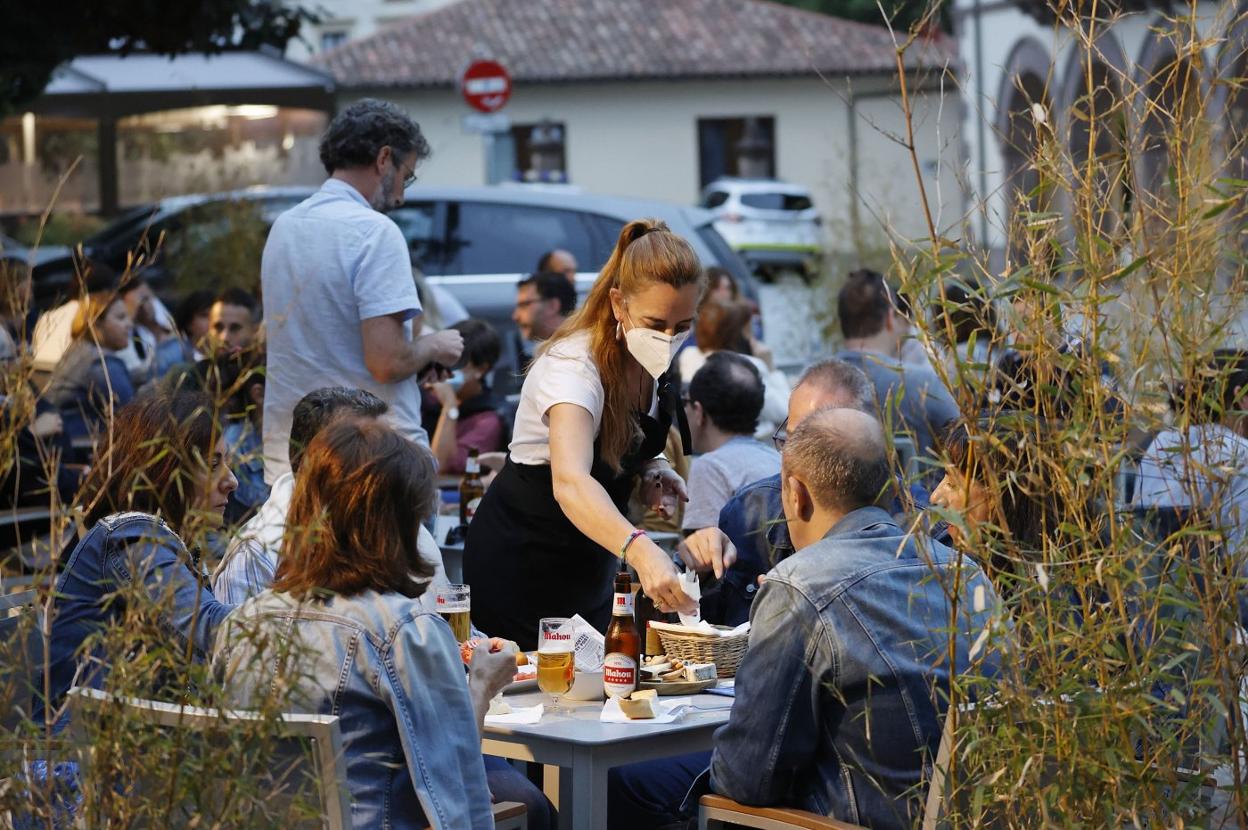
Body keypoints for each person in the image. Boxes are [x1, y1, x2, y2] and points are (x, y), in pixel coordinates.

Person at [608, 408, 1001, 829]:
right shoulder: (963, 572)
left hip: (838, 819)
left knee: (628, 785)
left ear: (796, 493)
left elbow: (747, 776)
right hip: (953, 816)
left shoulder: (800, 584)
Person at [212, 418, 521, 830]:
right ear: (396, 523)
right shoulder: (406, 630)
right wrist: (480, 686)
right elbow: (458, 802)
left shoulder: (239, 626)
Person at [463, 219, 735, 651]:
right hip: (521, 560)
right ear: (618, 304)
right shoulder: (573, 367)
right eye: (656, 323)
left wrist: (653, 467)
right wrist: (644, 551)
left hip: (591, 563)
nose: (668, 338)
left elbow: (629, 434)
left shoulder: (653, 357)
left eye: (682, 325)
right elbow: (571, 481)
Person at [260, 98, 463, 484]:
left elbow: (318, 341)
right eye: (407, 174)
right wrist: (435, 346)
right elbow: (385, 361)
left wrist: (415, 360)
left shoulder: (285, 227)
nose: (402, 194)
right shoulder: (374, 231)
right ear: (384, 159)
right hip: (374, 463)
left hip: (292, 459)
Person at [38, 391, 238, 726]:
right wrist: (299, 617)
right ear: (164, 469)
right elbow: (207, 626)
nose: (231, 481)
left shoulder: (165, 537)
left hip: (125, 751)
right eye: (213, 464)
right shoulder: (132, 538)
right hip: (78, 762)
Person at [695, 358, 876, 626]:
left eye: (815, 449)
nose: (792, 462)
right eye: (789, 440)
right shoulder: (749, 513)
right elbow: (710, 634)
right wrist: (695, 571)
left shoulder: (915, 534)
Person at [213, 386, 390, 605]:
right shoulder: (259, 552)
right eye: (362, 449)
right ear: (314, 462)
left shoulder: (397, 529)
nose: (382, 464)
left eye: (385, 447)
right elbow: (239, 638)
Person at [836, 268, 958, 471]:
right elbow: (965, 441)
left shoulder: (812, 384)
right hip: (917, 500)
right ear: (891, 317)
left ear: (841, 321)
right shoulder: (921, 384)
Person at [681, 352, 780, 533]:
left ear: (698, 411)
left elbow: (701, 551)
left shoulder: (710, 468)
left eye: (685, 402)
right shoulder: (777, 459)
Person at [677, 299, 787, 439]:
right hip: (750, 442)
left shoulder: (688, 356)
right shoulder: (749, 366)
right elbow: (785, 412)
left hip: (700, 439)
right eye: (748, 331)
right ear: (738, 335)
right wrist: (771, 368)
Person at [42, 288, 136, 439]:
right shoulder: (103, 364)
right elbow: (134, 415)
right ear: (97, 324)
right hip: (82, 445)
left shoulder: (79, 348)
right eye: (121, 318)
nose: (130, 324)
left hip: (64, 439)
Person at [426, 318, 506, 474]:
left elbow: (441, 466)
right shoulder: (429, 400)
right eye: (443, 360)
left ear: (481, 369)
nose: (445, 369)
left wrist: (450, 407)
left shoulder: (487, 421)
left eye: (457, 363)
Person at [514, 271, 577, 358]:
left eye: (524, 305)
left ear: (552, 306)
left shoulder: (572, 356)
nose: (515, 316)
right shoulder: (560, 353)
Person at [154, 289, 214, 376]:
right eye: (204, 315)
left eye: (214, 316)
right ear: (189, 322)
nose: (211, 321)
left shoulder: (229, 351)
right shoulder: (167, 355)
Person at [208, 287, 260, 354]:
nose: (224, 338)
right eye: (218, 327)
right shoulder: (194, 364)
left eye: (235, 328)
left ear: (255, 332)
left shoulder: (270, 364)